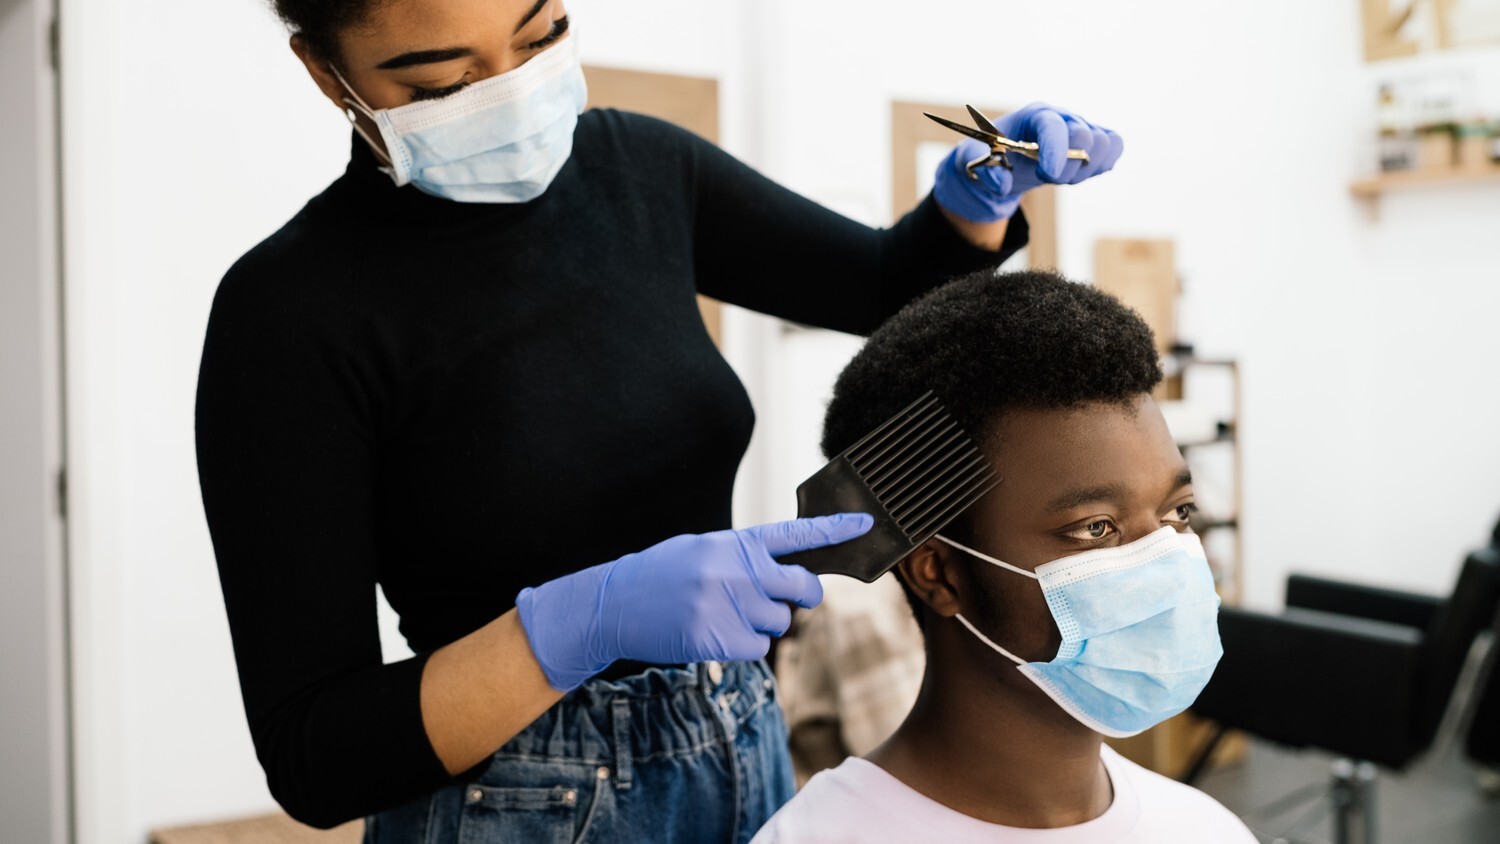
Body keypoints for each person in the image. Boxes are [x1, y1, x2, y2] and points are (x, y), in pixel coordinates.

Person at [194, 0, 1124, 840]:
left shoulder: (639, 168)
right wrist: (571, 627)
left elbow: (884, 284)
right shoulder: (286, 312)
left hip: (740, 737)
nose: (513, 93)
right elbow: (315, 757)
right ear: (326, 71)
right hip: (516, 802)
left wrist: (969, 206)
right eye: (446, 79)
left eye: (539, 34)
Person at [754, 270, 1255, 842]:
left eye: (1178, 513)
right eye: (1097, 528)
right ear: (938, 573)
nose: (1162, 560)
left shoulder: (1207, 830)